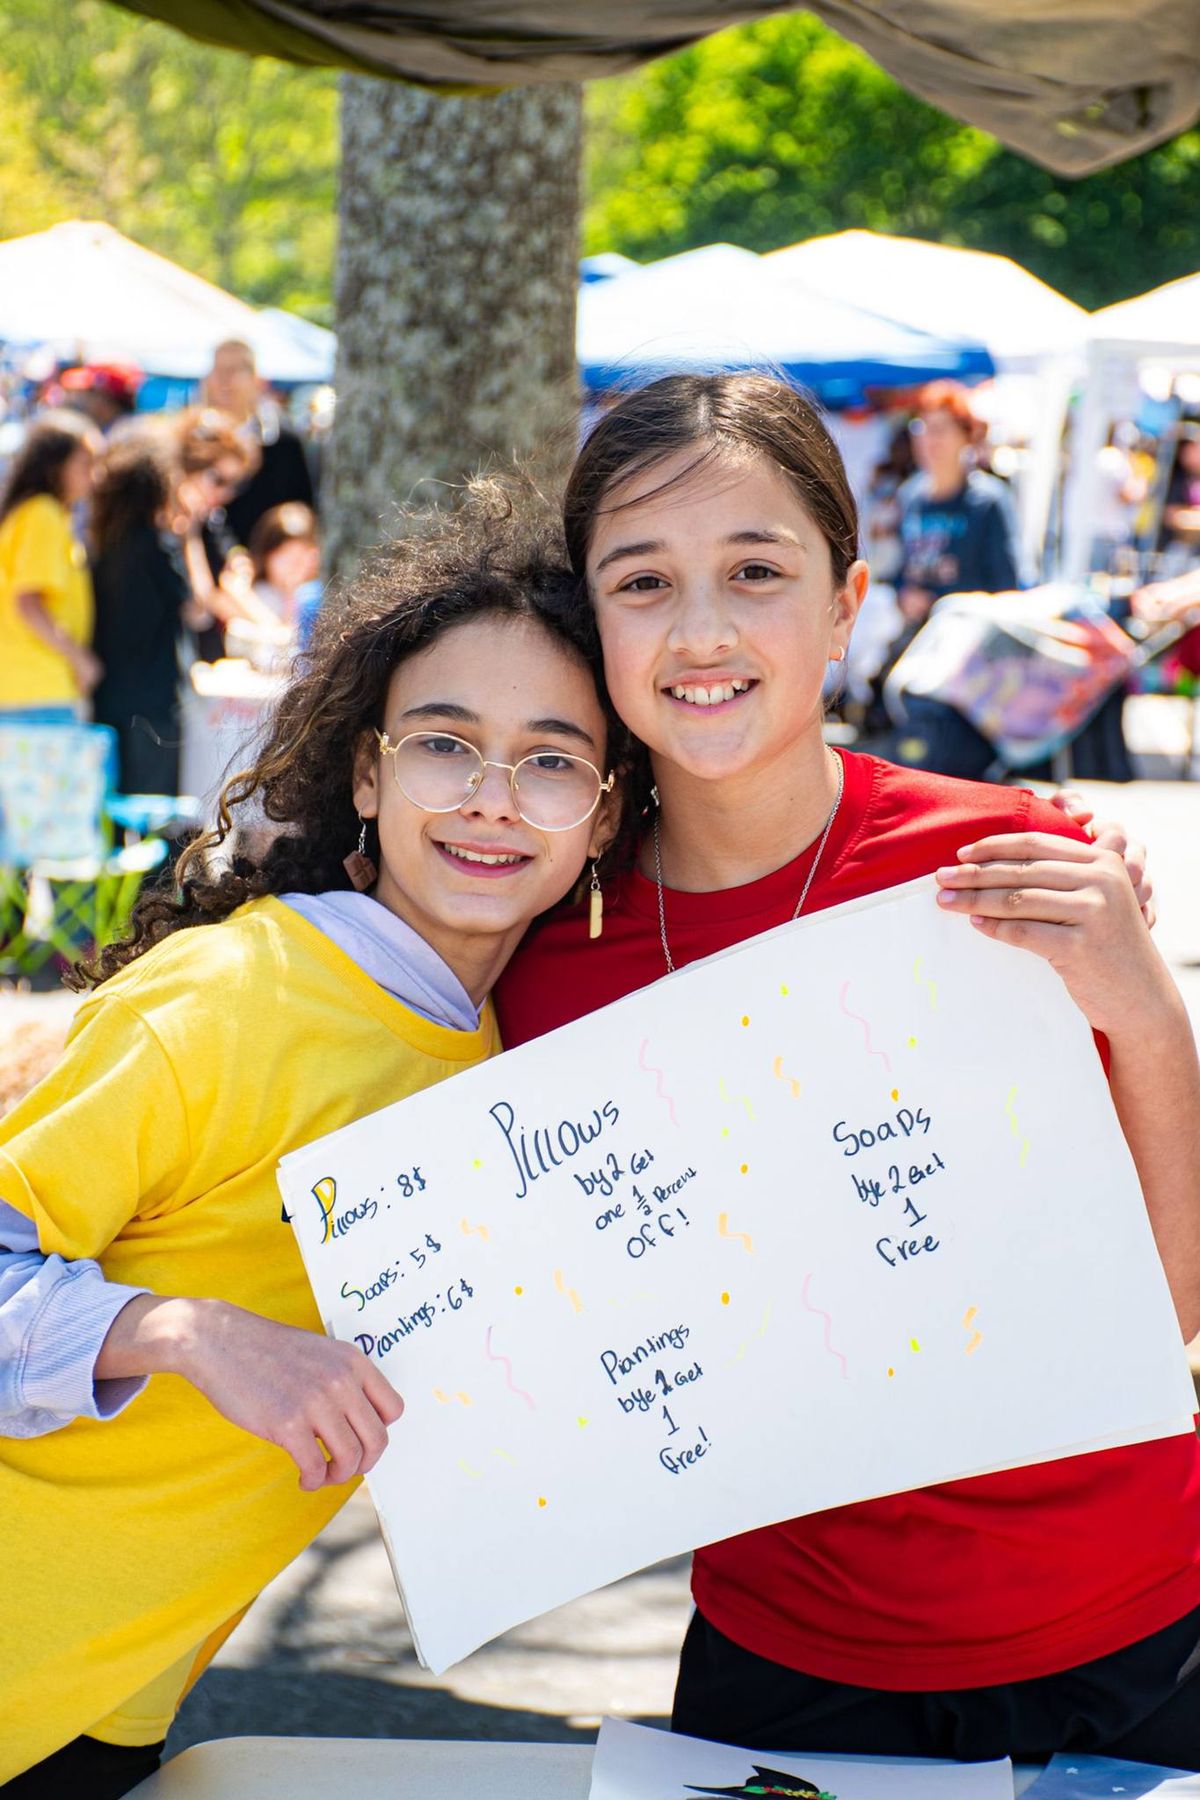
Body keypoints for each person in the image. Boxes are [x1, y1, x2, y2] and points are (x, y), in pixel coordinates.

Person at [493, 372, 1200, 1769]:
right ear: (593, 622)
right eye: (643, 581)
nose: (702, 630)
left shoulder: (1008, 864)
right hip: (790, 1657)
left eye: (756, 570)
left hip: (1132, 1622)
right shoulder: (541, 951)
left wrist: (1147, 1008)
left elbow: (1172, 1300)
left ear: (846, 601)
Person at [0, 484, 628, 1793]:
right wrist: (171, 1328)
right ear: (368, 768)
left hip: (101, 1711)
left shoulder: (522, 1066)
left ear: (610, 814)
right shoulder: (223, 1005)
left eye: (553, 759)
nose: (493, 799)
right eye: (447, 743)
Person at [887, 381, 1023, 778]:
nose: (929, 440)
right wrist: (903, 595)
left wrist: (949, 603)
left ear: (967, 437)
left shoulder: (988, 502)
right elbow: (897, 570)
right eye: (922, 428)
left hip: (970, 660)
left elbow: (1008, 583)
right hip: (919, 648)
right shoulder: (911, 496)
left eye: (941, 429)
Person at [90, 437, 198, 794]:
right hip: (154, 698)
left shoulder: (104, 547)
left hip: (109, 694)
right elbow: (196, 609)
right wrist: (189, 535)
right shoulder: (156, 546)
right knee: (155, 814)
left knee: (115, 806)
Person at [0, 410, 102, 719]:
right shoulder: (43, 514)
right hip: (37, 689)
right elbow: (28, 603)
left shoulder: (38, 513)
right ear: (55, 466)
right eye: (86, 464)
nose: (94, 476)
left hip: (31, 687)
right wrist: (80, 659)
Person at [202, 338, 316, 545]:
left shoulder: (283, 442)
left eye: (235, 369)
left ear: (257, 380)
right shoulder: (195, 442)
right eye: (218, 370)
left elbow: (300, 508)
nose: (224, 380)